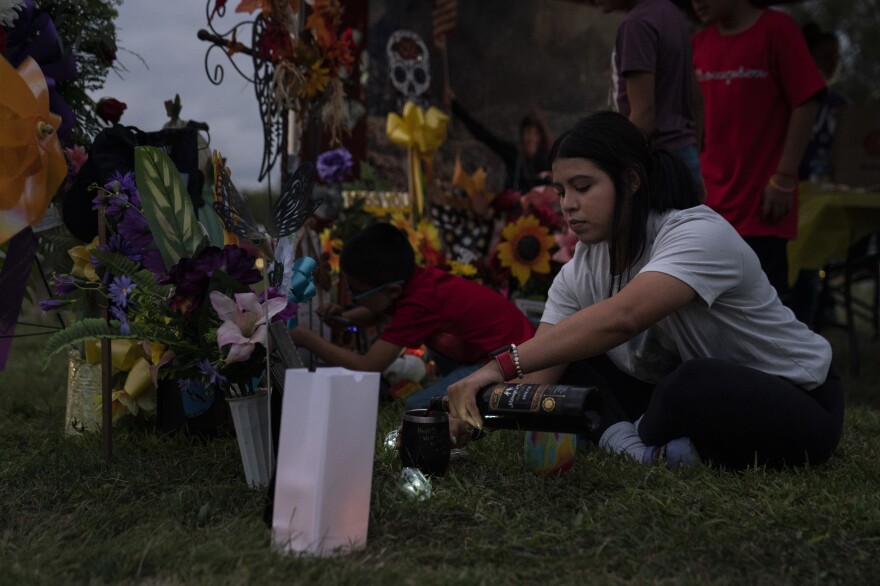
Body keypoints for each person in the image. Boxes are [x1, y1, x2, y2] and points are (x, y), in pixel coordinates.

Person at [447, 111, 843, 470]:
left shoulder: (696, 233)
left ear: (631, 181)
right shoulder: (580, 269)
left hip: (800, 404)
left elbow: (624, 318)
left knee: (689, 385)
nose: (568, 205)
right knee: (572, 362)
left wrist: (496, 366)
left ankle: (630, 438)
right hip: (675, 400)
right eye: (561, 191)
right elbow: (539, 374)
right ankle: (641, 451)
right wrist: (472, 411)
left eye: (583, 187)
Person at [289, 222, 536, 409]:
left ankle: (481, 391)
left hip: (514, 366)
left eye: (356, 292)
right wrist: (345, 316)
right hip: (497, 351)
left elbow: (368, 365)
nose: (352, 296)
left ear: (393, 289)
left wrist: (306, 338)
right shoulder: (416, 283)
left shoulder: (420, 303)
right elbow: (378, 311)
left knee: (418, 408)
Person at [690, 0, 826, 300]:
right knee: (712, 306)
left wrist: (784, 176)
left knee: (766, 305)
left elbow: (806, 101)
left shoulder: (777, 29)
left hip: (761, 205)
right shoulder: (698, 43)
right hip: (709, 203)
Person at [592, 0, 703, 192]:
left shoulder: (637, 24)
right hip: (684, 155)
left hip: (655, 162)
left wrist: (618, 168)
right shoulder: (670, 13)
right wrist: (694, 157)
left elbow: (643, 116)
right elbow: (697, 99)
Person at [790, 22, 852, 328]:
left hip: (825, 201)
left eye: (836, 56)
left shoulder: (842, 107)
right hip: (792, 197)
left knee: (812, 264)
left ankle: (809, 321)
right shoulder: (792, 101)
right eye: (825, 55)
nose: (831, 63)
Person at [445, 89, 552, 192]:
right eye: (528, 133)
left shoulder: (547, 161)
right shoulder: (513, 155)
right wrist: (455, 107)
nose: (531, 138)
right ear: (522, 135)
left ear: (541, 137)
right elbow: (485, 136)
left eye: (535, 134)